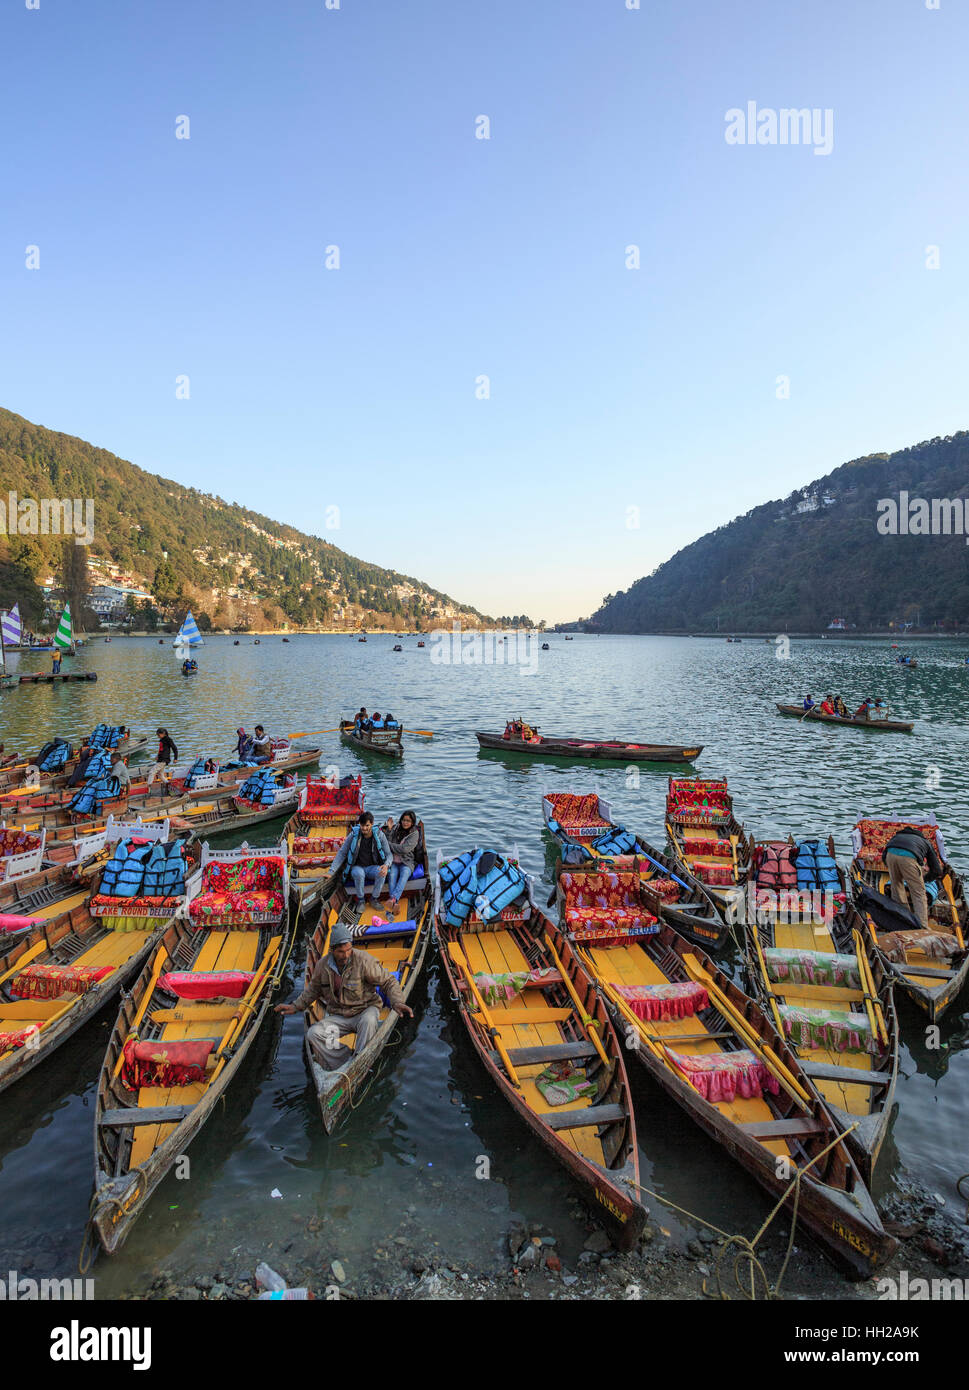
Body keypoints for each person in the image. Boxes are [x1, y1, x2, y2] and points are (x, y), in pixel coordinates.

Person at [275, 922, 412, 1078]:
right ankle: (345, 1061)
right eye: (341, 952)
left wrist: (397, 1002)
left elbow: (388, 981)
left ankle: (360, 1064)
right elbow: (312, 991)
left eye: (348, 950)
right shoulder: (322, 966)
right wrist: (295, 1006)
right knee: (314, 1033)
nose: (346, 955)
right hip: (340, 1015)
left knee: (369, 1021)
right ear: (332, 950)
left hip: (365, 1010)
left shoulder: (363, 961)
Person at [884, 826, 943, 930]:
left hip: (890, 856)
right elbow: (937, 870)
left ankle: (902, 919)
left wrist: (897, 871)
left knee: (896, 887)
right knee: (919, 893)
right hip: (909, 859)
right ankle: (922, 926)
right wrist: (923, 880)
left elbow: (884, 857)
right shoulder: (925, 842)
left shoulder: (897, 837)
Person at [331, 811, 392, 905]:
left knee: (382, 873)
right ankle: (361, 900)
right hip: (357, 867)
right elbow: (342, 853)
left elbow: (389, 854)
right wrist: (331, 871)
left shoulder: (380, 835)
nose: (364, 828)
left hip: (372, 867)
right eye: (362, 825)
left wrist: (386, 865)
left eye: (367, 825)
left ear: (372, 824)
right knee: (359, 874)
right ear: (359, 824)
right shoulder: (353, 835)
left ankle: (374, 899)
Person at [384, 810, 420, 915]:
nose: (405, 823)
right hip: (394, 861)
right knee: (392, 875)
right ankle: (394, 904)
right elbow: (387, 840)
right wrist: (389, 829)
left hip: (407, 862)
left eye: (408, 821)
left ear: (412, 822)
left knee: (404, 875)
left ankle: (393, 899)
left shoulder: (414, 833)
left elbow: (404, 849)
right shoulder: (396, 828)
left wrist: (389, 845)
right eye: (404, 820)